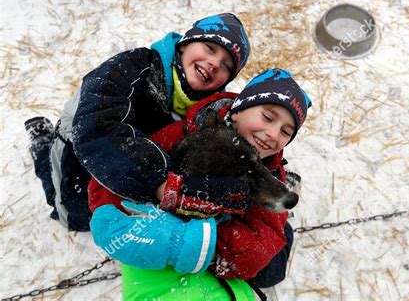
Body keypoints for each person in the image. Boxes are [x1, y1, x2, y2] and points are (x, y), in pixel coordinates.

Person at [88, 68, 312, 300]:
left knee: (271, 271)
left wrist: (212, 245)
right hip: (189, 234)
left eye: (286, 132)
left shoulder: (272, 167)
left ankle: (285, 214)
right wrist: (160, 192)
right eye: (267, 117)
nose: (273, 134)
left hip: (232, 237)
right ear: (237, 112)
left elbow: (259, 249)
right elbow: (109, 181)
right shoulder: (186, 134)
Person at [24, 13, 250, 231]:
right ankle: (42, 143)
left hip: (132, 164)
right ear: (184, 44)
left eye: (226, 66)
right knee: (75, 215)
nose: (213, 63)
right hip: (79, 144)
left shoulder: (210, 110)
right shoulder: (132, 67)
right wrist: (161, 185)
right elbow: (98, 131)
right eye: (210, 48)